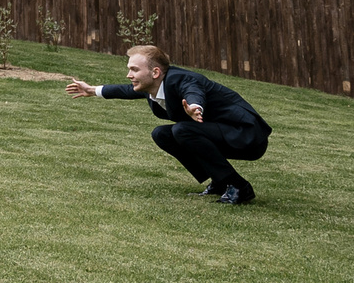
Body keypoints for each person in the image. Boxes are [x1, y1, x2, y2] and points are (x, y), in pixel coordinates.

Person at [65, 42, 271, 205]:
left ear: (155, 72)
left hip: (246, 135)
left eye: (134, 70)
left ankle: (238, 186)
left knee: (182, 130)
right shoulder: (153, 86)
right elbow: (126, 90)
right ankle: (219, 180)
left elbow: (193, 91)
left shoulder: (181, 79)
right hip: (223, 133)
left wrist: (194, 107)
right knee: (162, 134)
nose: (129, 75)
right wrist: (92, 90)